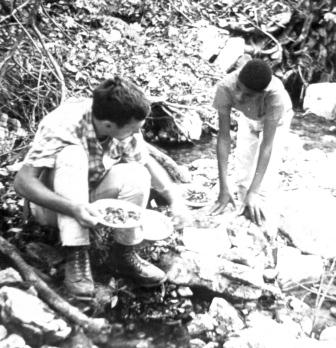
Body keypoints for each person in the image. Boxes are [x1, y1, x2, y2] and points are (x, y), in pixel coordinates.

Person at [14, 76, 189, 297]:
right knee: (72, 154)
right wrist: (73, 209)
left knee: (137, 173)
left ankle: (123, 254)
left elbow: (145, 161)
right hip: (54, 208)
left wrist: (175, 199)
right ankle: (76, 253)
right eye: (134, 130)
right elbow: (22, 182)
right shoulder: (63, 124)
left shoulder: (120, 119)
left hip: (90, 200)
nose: (137, 134)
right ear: (108, 125)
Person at [209, 59, 293, 228]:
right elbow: (224, 137)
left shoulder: (275, 96)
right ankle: (242, 208)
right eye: (238, 88)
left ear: (262, 93)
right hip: (248, 118)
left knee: (265, 180)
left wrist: (254, 191)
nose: (239, 96)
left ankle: (263, 221)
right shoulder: (225, 86)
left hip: (278, 121)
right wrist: (223, 187)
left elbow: (267, 146)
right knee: (243, 170)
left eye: (248, 95)